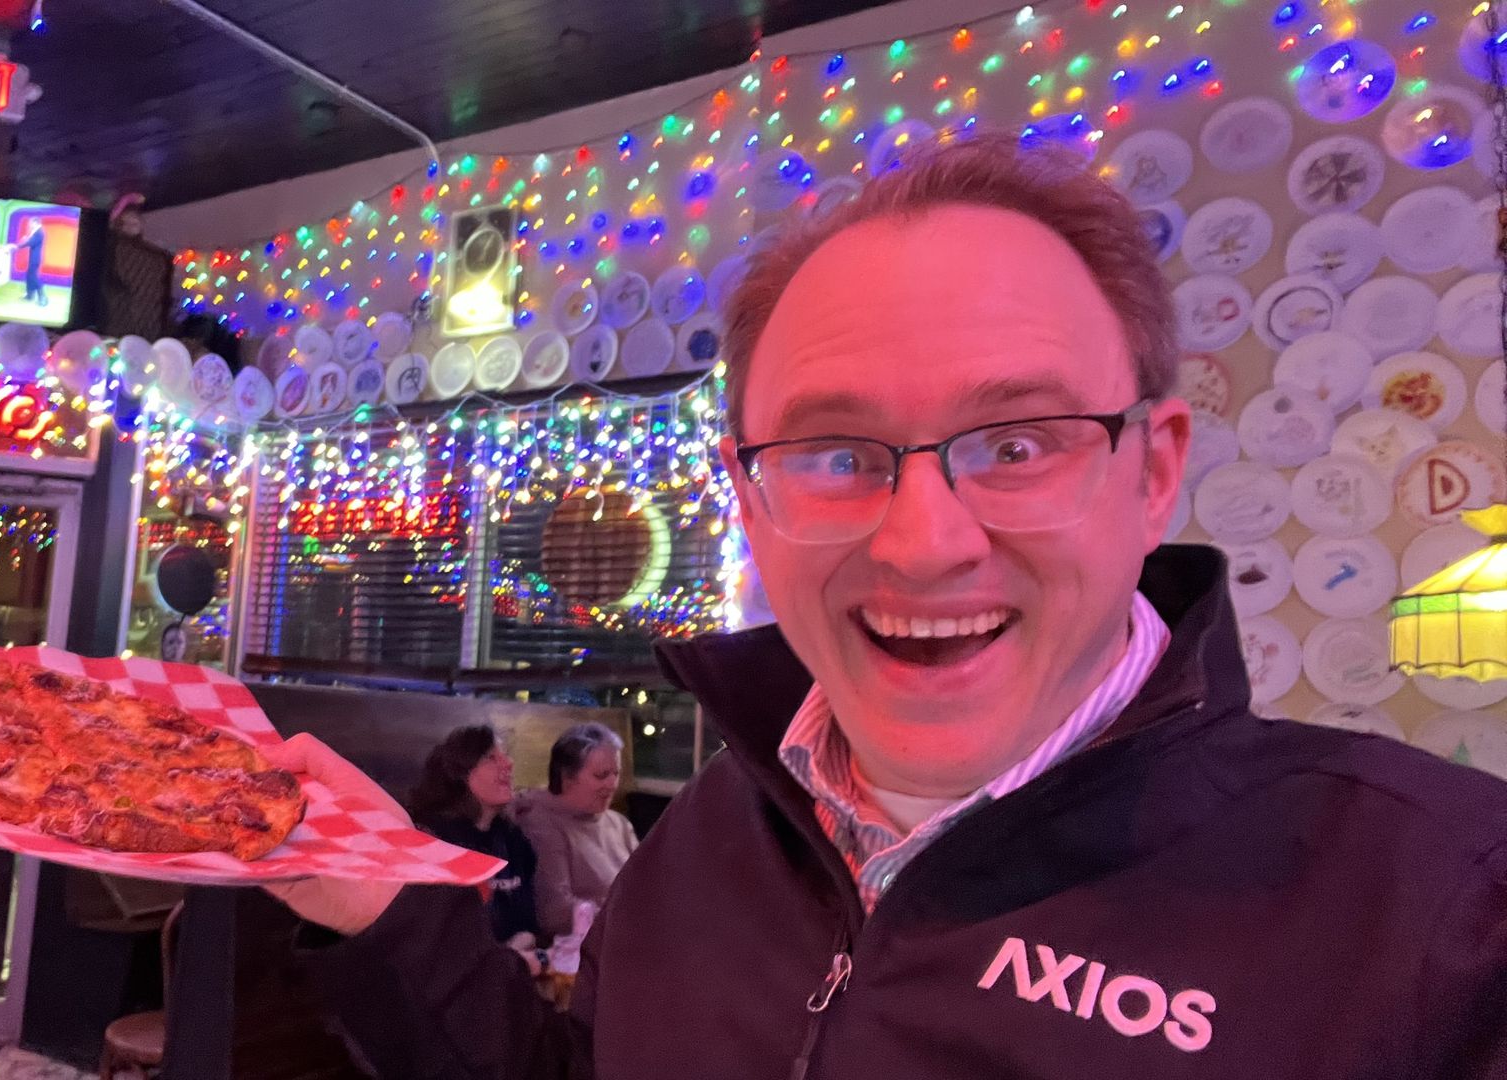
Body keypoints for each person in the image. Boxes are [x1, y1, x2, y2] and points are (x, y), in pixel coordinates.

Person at [265, 135, 1507, 1078]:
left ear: (1153, 471)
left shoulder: (1442, 919)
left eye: (1017, 444)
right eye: (836, 455)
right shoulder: (709, 836)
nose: (922, 543)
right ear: (750, 499)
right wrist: (386, 906)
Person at [404, 725, 543, 970]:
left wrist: (516, 949)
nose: (508, 764)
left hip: (509, 970)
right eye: (491, 758)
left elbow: (528, 923)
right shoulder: (434, 841)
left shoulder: (512, 839)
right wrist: (502, 959)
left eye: (505, 756)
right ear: (460, 773)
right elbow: (434, 940)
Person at [513, 723, 637, 939]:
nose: (612, 784)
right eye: (601, 775)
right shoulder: (540, 823)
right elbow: (555, 912)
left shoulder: (619, 824)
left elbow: (648, 884)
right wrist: (628, 917)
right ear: (567, 777)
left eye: (616, 774)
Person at [18, 218, 47, 304]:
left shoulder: (39, 232)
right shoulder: (35, 231)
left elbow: (31, 242)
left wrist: (19, 245)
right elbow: (30, 241)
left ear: (35, 222)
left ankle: (42, 296)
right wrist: (25, 239)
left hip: (35, 258)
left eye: (31, 223)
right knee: (29, 276)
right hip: (33, 258)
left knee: (33, 277)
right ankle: (30, 295)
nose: (29, 225)